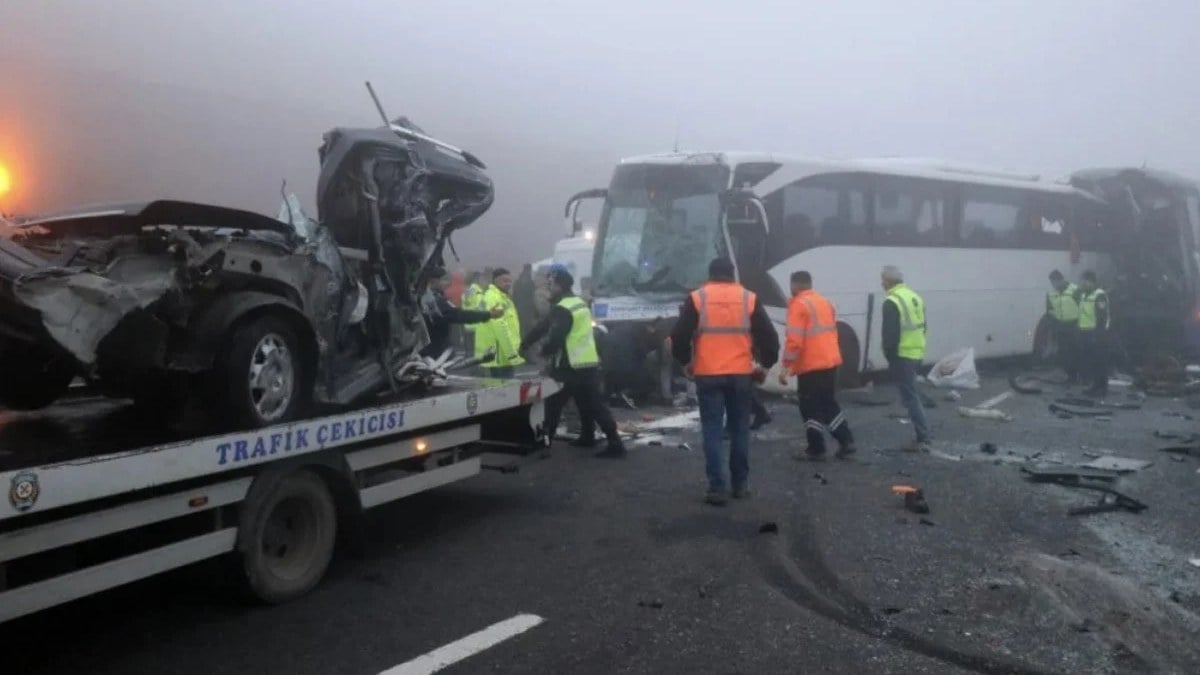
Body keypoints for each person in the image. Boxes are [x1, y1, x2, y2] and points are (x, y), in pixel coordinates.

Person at [671, 258, 779, 505]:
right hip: (741, 374)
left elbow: (679, 336)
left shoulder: (698, 298)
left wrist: (685, 361)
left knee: (712, 429)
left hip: (707, 373)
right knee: (740, 429)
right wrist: (764, 365)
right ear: (733, 275)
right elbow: (769, 338)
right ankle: (740, 485)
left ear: (710, 275)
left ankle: (717, 487)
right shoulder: (748, 298)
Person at [522, 267, 626, 458]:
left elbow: (554, 335)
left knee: (552, 406)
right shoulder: (578, 303)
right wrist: (526, 342)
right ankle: (600, 438)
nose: (547, 290)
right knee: (590, 404)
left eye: (550, 285)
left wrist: (541, 350)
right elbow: (544, 326)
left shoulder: (563, 308)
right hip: (587, 362)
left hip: (568, 365)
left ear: (560, 285)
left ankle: (544, 444)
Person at [778, 271, 856, 460]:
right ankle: (846, 440)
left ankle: (816, 448)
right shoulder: (824, 302)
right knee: (828, 402)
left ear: (794, 285)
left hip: (811, 364)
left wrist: (786, 366)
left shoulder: (798, 305)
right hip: (830, 361)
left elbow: (795, 341)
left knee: (809, 405)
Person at [880, 265, 930, 452]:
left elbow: (890, 335)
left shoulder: (892, 301)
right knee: (911, 395)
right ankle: (923, 436)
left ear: (889, 281)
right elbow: (924, 326)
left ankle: (923, 438)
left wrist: (889, 355)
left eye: (883, 280)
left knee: (910, 398)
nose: (881, 283)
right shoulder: (914, 296)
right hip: (916, 352)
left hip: (902, 355)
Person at [420, 268, 503, 359]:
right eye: (444, 280)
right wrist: (488, 315)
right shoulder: (434, 301)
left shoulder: (429, 297)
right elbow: (458, 314)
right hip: (434, 352)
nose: (447, 283)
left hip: (434, 348)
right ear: (433, 281)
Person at [475, 268, 524, 377]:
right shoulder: (493, 297)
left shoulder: (503, 297)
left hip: (503, 352)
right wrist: (511, 353)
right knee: (504, 388)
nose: (508, 284)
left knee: (503, 387)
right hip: (500, 353)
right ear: (495, 281)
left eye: (510, 281)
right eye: (504, 281)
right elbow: (499, 326)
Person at [1076, 270, 1111, 398]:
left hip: (1097, 335)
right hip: (1086, 333)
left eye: (1084, 282)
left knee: (1100, 362)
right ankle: (1095, 386)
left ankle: (1102, 388)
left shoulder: (1099, 295)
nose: (1082, 284)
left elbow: (1101, 317)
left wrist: (1098, 335)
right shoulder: (1084, 295)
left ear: (1091, 282)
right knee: (1092, 362)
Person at [1045, 270, 1081, 383]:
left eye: (1054, 282)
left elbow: (1084, 307)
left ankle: (1080, 376)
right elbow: (1050, 311)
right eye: (1051, 282)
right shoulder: (1051, 293)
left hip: (1075, 325)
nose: (1053, 285)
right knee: (1064, 353)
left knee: (1076, 352)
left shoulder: (1075, 290)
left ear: (1061, 280)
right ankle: (1070, 376)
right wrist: (1052, 328)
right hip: (1060, 325)